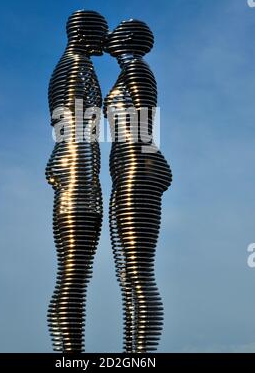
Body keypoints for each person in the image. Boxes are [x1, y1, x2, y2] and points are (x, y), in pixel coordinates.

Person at [103, 19, 172, 352]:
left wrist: (144, 167)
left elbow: (145, 125)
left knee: (139, 271)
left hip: (136, 173)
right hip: (129, 171)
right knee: (130, 272)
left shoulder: (138, 70)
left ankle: (141, 355)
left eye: (115, 34)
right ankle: (134, 351)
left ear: (127, 39)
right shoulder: (129, 71)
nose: (107, 40)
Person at [46, 10, 108, 352]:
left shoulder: (78, 67)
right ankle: (69, 356)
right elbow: (72, 133)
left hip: (82, 186)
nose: (104, 41)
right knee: (71, 279)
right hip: (77, 189)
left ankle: (71, 353)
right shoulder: (75, 69)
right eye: (100, 34)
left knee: (73, 279)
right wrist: (76, 180)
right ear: (84, 34)